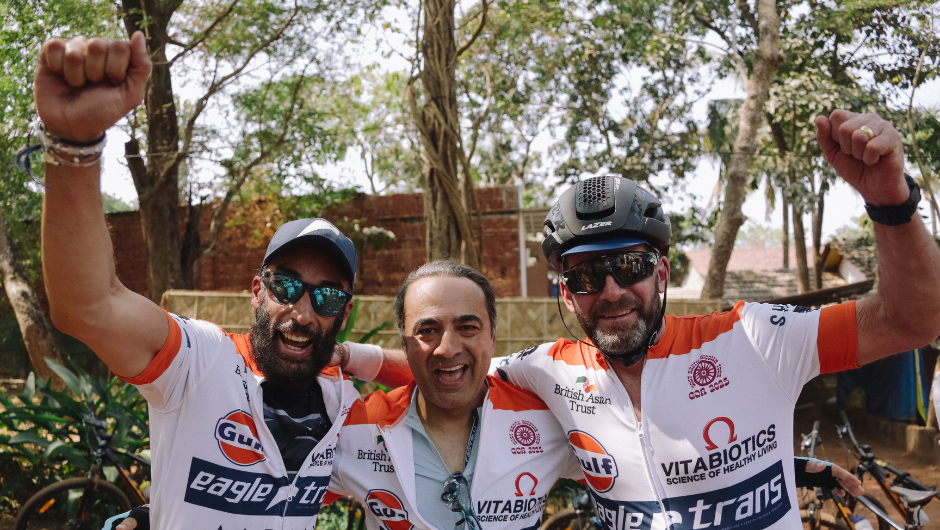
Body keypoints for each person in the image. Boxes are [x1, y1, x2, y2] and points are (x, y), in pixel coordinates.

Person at [108, 262, 863, 530]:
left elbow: (650, 451)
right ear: (404, 342)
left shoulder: (539, 414)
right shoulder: (355, 422)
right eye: (425, 332)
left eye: (467, 327)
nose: (447, 348)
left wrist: (796, 470)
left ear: (494, 337)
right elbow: (272, 467)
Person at [486, 109, 940, 529]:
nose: (611, 291)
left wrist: (890, 200)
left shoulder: (753, 340)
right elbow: (435, 367)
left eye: (630, 266)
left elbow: (912, 321)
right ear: (566, 295)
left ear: (661, 272)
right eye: (586, 276)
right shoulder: (544, 371)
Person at [33, 32, 407, 528]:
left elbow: (452, 377)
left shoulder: (343, 408)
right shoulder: (197, 363)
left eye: (327, 296)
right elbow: (88, 306)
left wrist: (348, 355)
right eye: (287, 286)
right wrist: (75, 148)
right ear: (258, 290)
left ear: (346, 311)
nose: (302, 312)